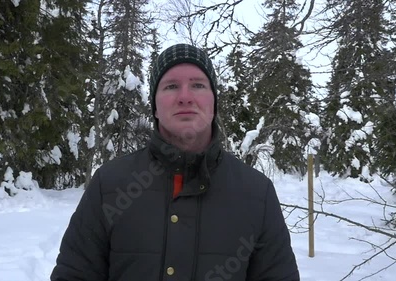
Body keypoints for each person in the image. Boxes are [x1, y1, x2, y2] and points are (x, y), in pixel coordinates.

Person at [51, 43, 300, 281]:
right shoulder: (110, 184)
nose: (185, 97)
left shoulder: (257, 193)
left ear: (214, 103)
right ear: (155, 107)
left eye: (198, 85)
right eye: (171, 86)